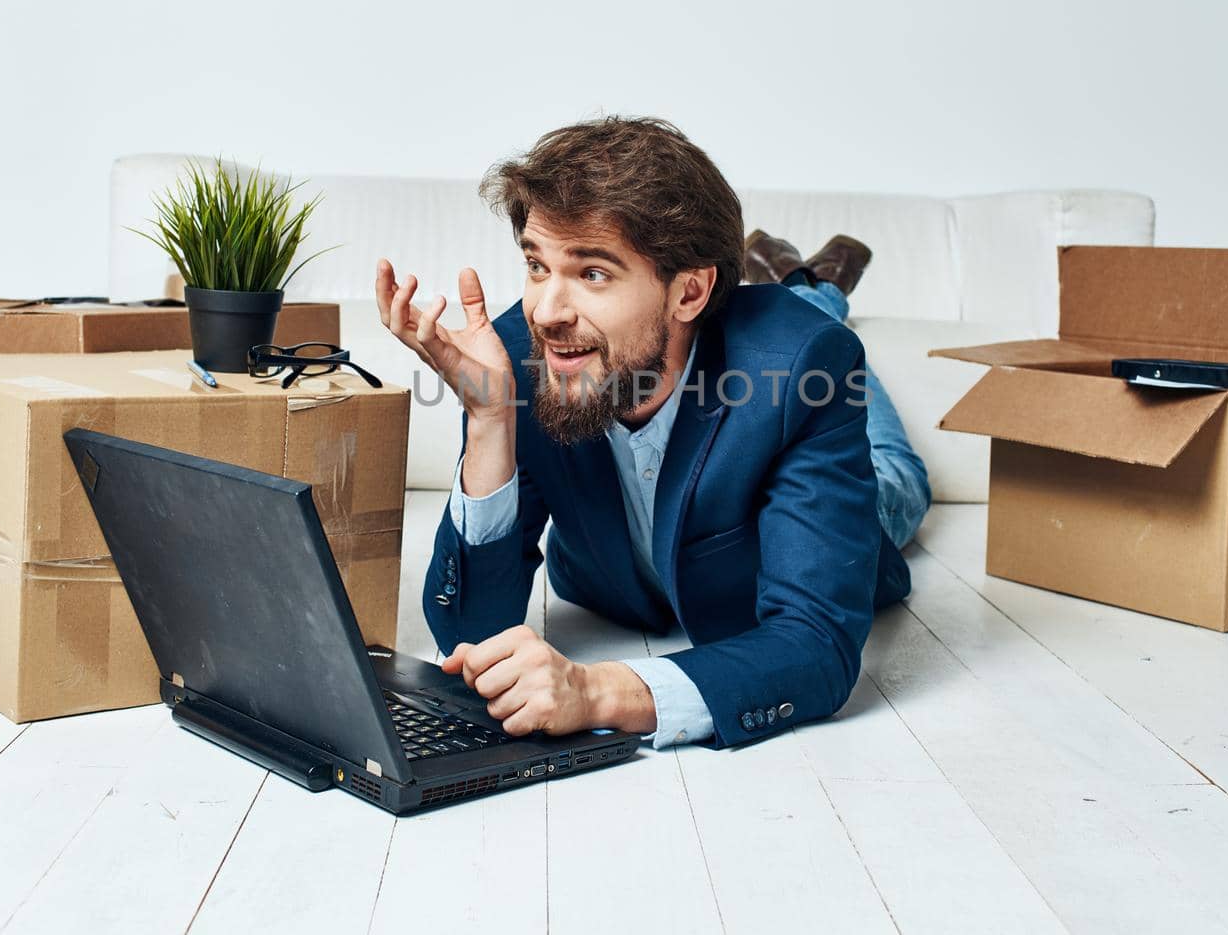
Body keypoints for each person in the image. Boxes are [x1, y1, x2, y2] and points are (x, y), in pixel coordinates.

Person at [374, 117, 930, 750]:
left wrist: (599, 691)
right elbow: (469, 636)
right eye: (535, 265)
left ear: (689, 291)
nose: (547, 312)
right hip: (619, 589)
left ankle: (815, 293)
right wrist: (491, 421)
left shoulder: (800, 364)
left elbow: (815, 646)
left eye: (591, 274)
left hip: (840, 483)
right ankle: (798, 285)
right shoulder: (514, 357)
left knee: (898, 474)